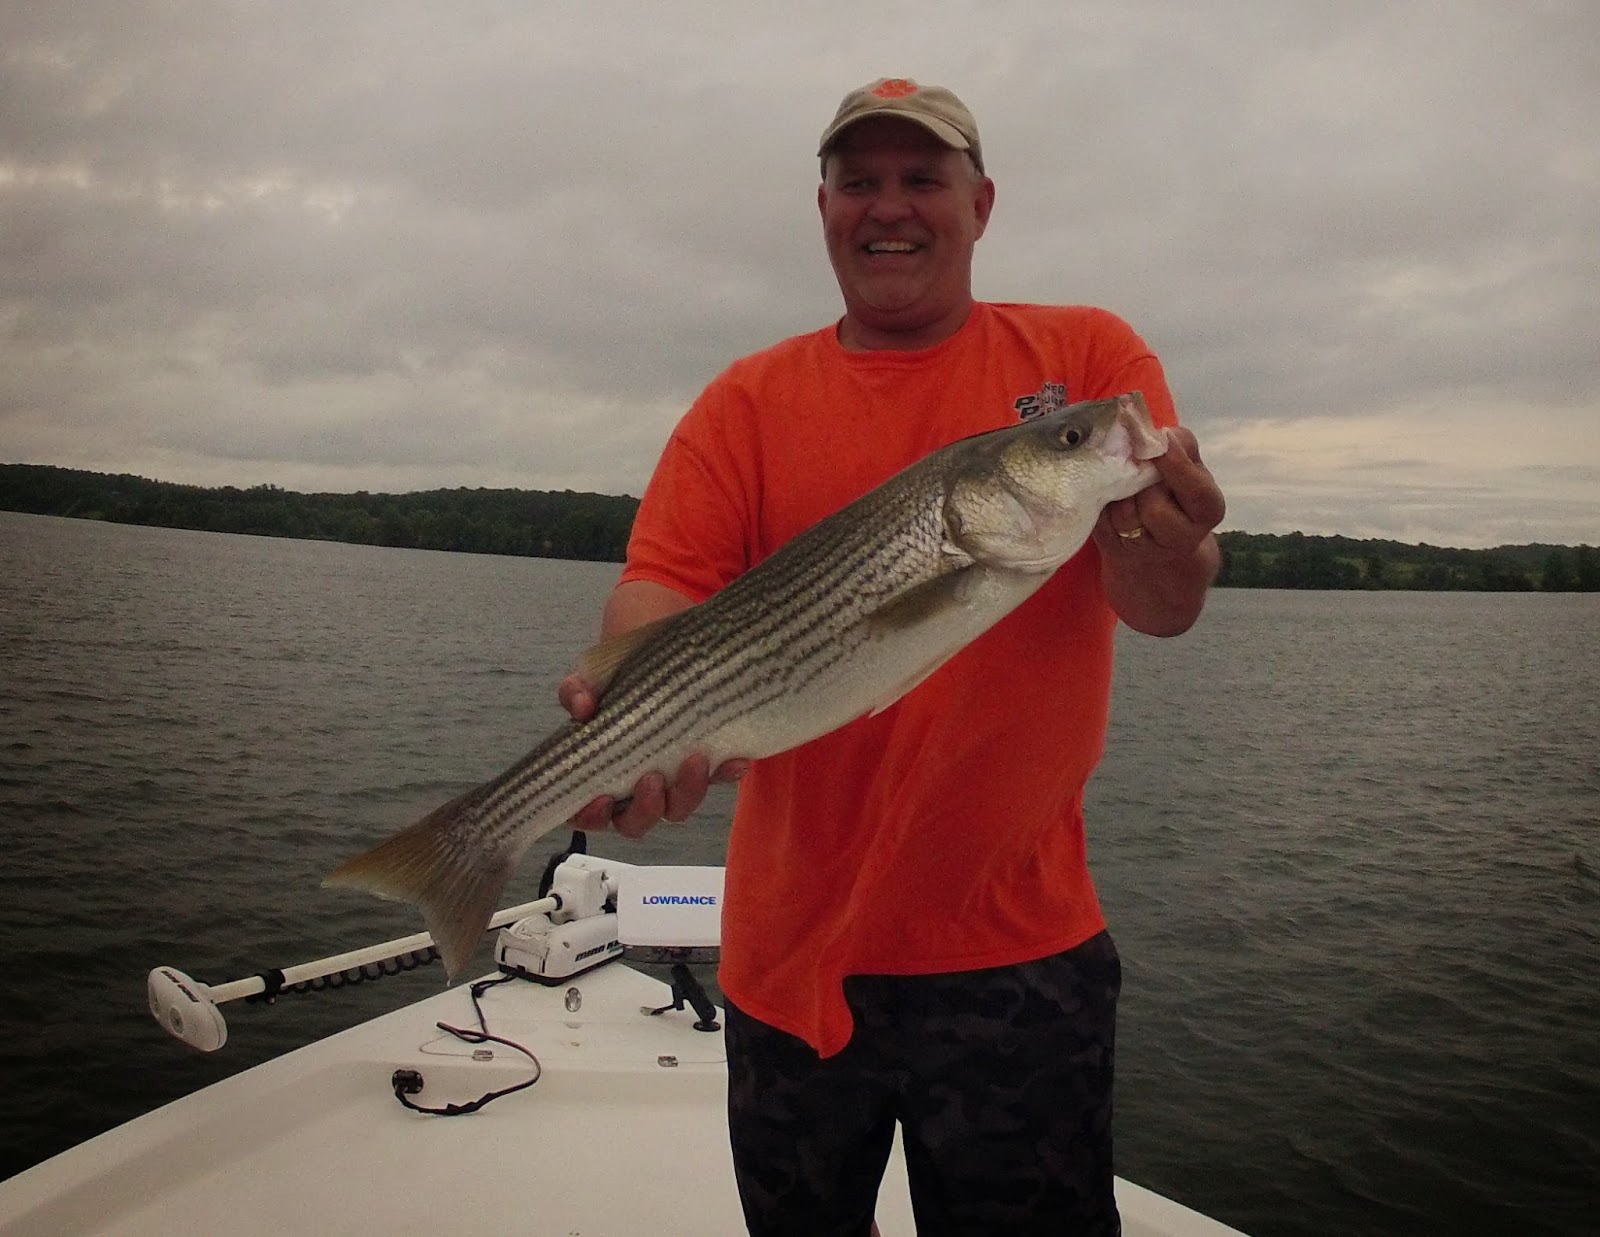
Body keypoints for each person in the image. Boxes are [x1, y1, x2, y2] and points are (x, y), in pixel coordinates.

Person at [559, 78, 1226, 1236]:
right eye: (859, 182)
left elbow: (1161, 605)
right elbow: (659, 585)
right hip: (784, 963)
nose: (890, 207)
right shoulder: (744, 402)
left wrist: (1178, 547)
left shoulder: (1086, 358)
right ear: (822, 206)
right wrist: (635, 718)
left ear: (981, 203)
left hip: (1018, 954)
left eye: (922, 178)